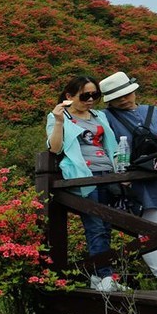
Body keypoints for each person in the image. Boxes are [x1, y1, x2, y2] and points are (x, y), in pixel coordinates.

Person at [97, 70, 157, 291]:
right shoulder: (106, 117)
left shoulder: (156, 112)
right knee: (150, 229)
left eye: (127, 94)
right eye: (118, 97)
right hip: (137, 180)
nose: (124, 99)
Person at [46, 75, 127, 292]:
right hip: (83, 174)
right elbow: (54, 148)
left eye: (95, 95)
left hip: (108, 173)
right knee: (95, 226)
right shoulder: (58, 117)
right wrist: (60, 121)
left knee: (107, 225)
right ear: (69, 96)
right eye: (85, 95)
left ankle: (97, 276)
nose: (91, 100)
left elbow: (111, 145)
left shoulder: (99, 115)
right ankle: (106, 276)